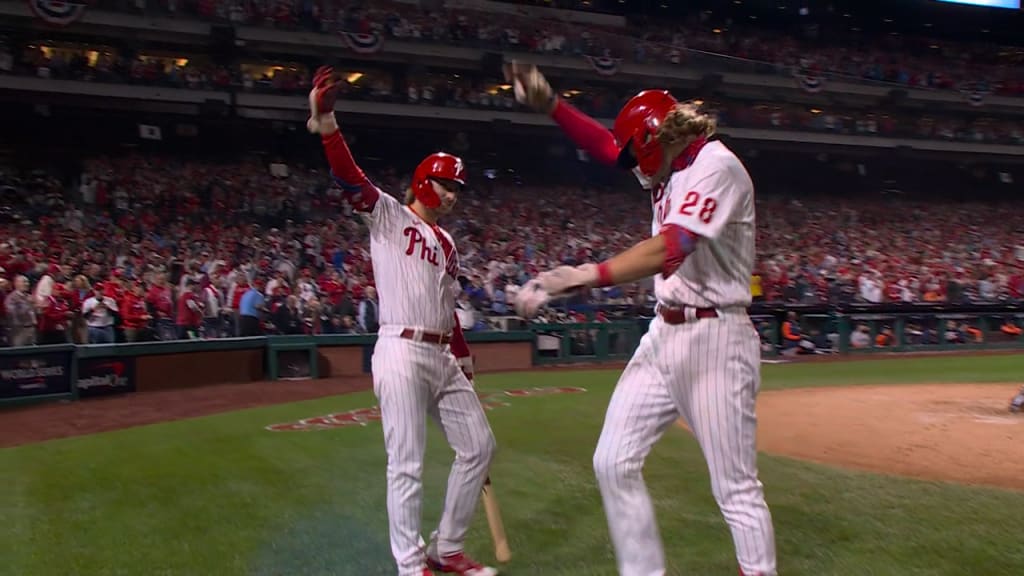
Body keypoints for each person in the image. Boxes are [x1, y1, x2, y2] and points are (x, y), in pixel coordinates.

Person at [510, 62, 777, 576]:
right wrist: (552, 106)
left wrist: (582, 275)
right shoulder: (666, 160)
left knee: (735, 487)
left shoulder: (716, 167)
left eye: (637, 150)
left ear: (656, 139)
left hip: (716, 338)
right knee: (612, 461)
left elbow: (672, 248)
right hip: (664, 334)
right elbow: (609, 147)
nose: (630, 162)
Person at [307, 65, 497, 576]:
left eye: (458, 188)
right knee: (407, 464)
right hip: (401, 348)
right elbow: (350, 177)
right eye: (445, 185)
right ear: (422, 181)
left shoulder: (449, 243)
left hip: (441, 354)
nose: (453, 195)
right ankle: (411, 566)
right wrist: (327, 123)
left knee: (479, 447)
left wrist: (465, 361)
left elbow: (449, 307)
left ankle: (447, 547)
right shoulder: (390, 215)